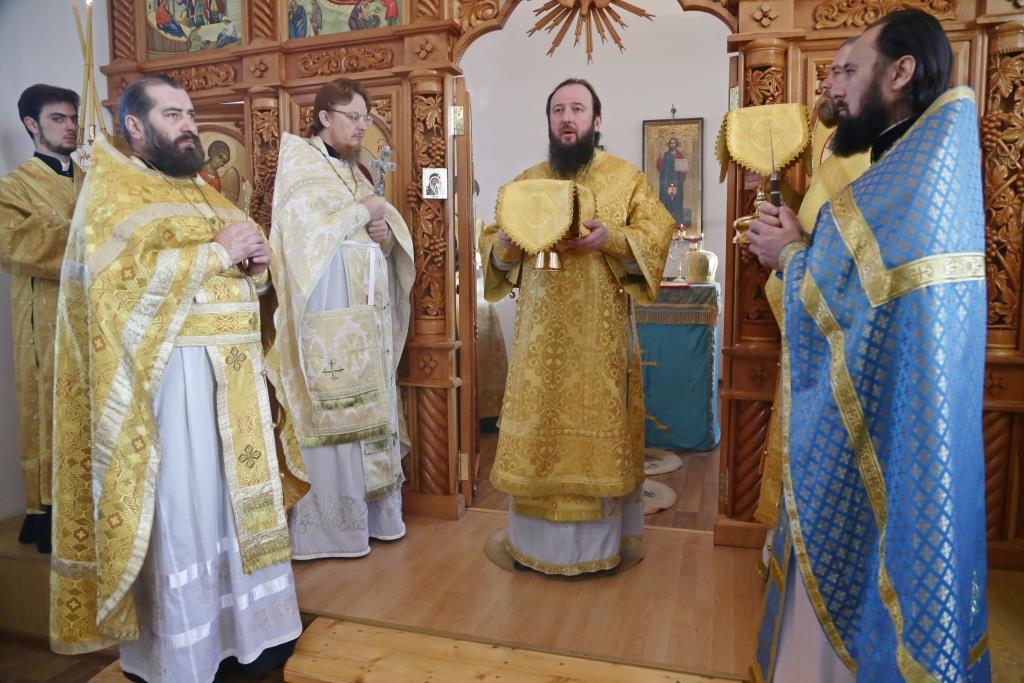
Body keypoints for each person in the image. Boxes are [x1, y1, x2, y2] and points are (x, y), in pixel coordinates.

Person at [745, 10, 990, 681]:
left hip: (876, 432)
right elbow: (862, 298)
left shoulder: (904, 181)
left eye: (849, 69)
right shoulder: (924, 165)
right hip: (897, 418)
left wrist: (788, 254)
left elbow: (850, 304)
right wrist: (801, 249)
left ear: (900, 71)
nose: (834, 86)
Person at [49, 75, 306, 682]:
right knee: (185, 511)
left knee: (234, 511)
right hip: (172, 386)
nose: (189, 124)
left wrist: (259, 269)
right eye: (173, 114)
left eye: (190, 113)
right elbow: (114, 292)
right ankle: (185, 652)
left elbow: (246, 282)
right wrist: (216, 252)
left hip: (234, 383)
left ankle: (256, 633)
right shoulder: (112, 191)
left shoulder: (206, 193)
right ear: (135, 126)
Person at [480, 78, 674, 575]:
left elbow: (657, 232)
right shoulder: (525, 184)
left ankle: (597, 550)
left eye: (578, 109)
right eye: (558, 110)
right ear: (549, 121)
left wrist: (613, 239)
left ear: (597, 120)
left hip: (599, 344)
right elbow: (493, 245)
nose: (567, 118)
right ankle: (536, 547)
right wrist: (504, 245)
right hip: (539, 343)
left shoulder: (626, 179)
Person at [269, 77, 415, 560]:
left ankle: (375, 521)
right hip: (325, 324)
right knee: (335, 417)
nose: (361, 127)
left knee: (370, 416)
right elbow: (301, 240)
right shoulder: (300, 164)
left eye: (366, 118)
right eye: (353, 117)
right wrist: (362, 211)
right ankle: (329, 532)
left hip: (365, 325)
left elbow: (371, 238)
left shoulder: (357, 172)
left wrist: (384, 234)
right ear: (324, 117)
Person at [0, 84, 79, 554]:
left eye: (72, 118)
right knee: (49, 402)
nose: (69, 127)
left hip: (96, 314)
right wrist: (89, 233)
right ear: (32, 124)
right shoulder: (13, 186)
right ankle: (48, 508)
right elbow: (13, 243)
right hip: (45, 317)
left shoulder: (96, 180)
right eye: (57, 118)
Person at [655, 137, 688, 226]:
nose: (672, 145)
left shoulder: (680, 155)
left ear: (676, 144)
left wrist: (683, 171)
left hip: (677, 182)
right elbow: (659, 167)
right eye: (671, 143)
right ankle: (664, 223)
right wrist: (661, 157)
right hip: (666, 183)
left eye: (674, 143)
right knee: (665, 201)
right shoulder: (665, 155)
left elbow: (684, 170)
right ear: (669, 144)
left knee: (677, 202)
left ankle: (678, 223)